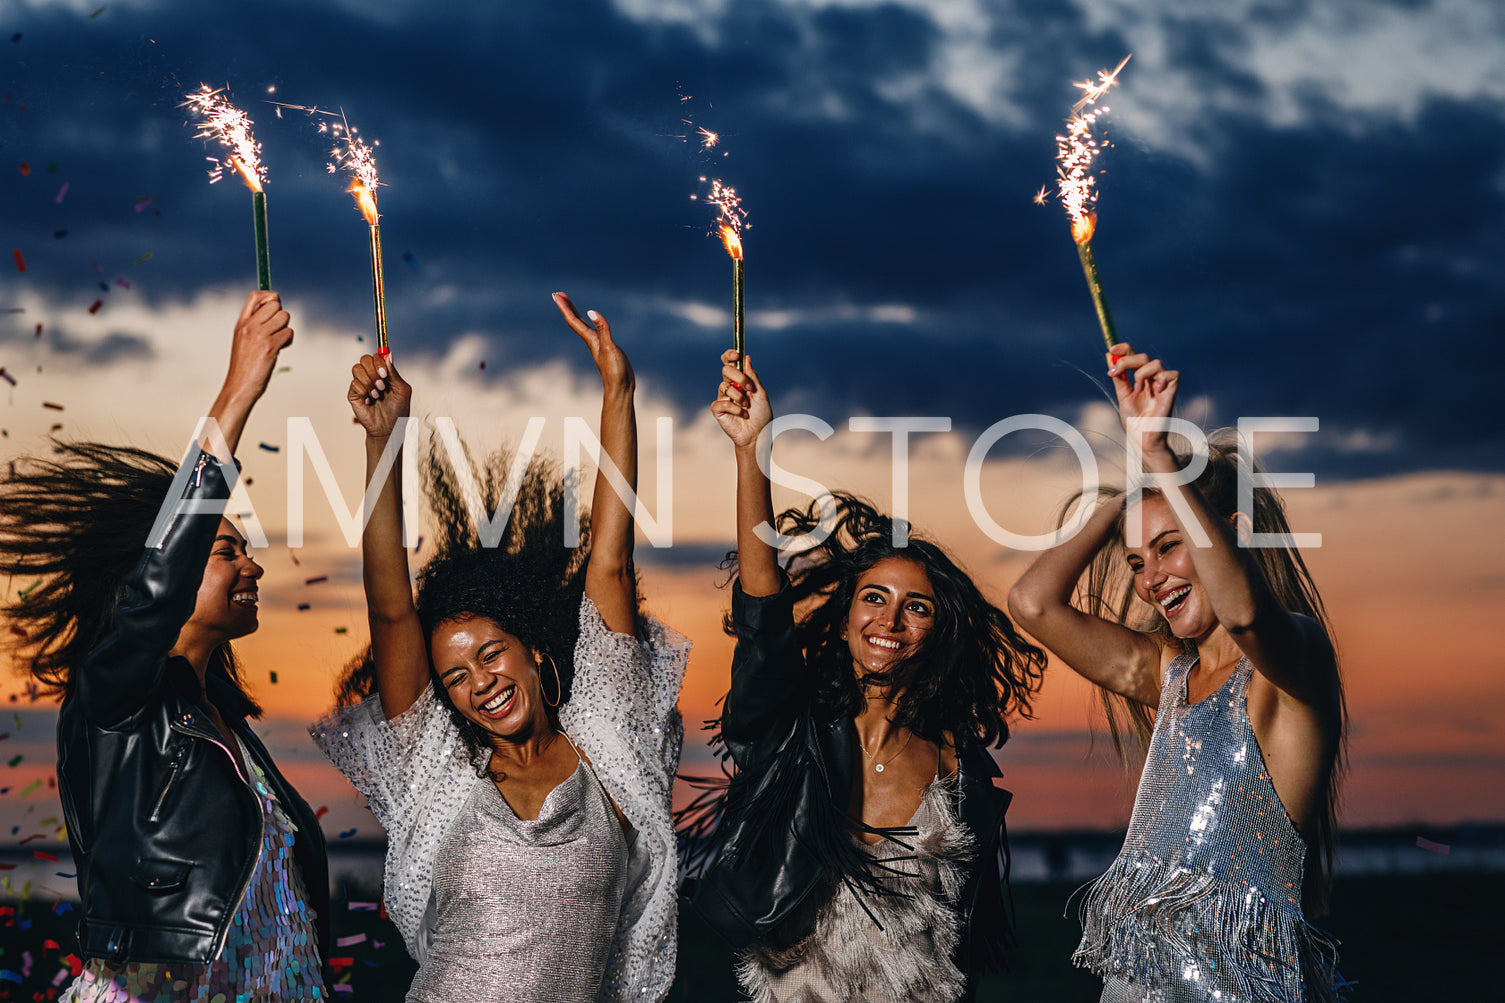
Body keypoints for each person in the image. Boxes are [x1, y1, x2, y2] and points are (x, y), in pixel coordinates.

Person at [311, 293, 690, 1003]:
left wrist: (619, 393)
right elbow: (391, 608)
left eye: (490, 653)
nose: (479, 680)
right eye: (454, 675)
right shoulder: (439, 768)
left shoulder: (609, 745)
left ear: (535, 651)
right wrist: (383, 439)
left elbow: (607, 565)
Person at [676, 350, 1047, 1003]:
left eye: (917, 606)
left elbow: (961, 945)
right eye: (873, 597)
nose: (890, 618)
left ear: (940, 631)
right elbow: (762, 616)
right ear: (845, 615)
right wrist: (749, 450)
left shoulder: (959, 768)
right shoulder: (792, 733)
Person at [0, 291, 329, 1000]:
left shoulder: (224, 723)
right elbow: (154, 592)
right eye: (223, 551)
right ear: (166, 568)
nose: (253, 565)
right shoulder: (116, 697)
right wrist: (239, 390)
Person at [1007, 343, 1346, 1002]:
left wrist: (1160, 459)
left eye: (1168, 547)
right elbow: (1030, 602)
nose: (1150, 580)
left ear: (1231, 534)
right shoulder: (1164, 671)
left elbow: (1245, 614)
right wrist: (1129, 488)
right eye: (1135, 563)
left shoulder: (1292, 662)